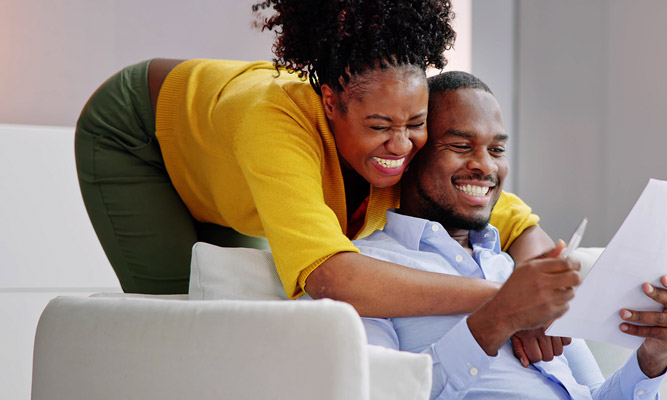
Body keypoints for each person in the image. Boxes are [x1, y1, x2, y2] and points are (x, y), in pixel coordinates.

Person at [74, 0, 557, 336]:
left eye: (415, 122)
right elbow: (331, 279)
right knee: (189, 324)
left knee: (245, 315)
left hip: (223, 157)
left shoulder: (407, 141)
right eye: (378, 125)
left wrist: (544, 304)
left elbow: (514, 220)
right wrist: (501, 297)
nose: (400, 144)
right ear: (330, 102)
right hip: (138, 138)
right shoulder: (274, 128)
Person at [356, 71, 667, 399]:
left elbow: (593, 393)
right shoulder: (367, 271)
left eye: (497, 150)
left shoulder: (513, 268)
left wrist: (652, 357)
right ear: (411, 154)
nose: (486, 167)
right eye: (461, 145)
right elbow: (378, 393)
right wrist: (499, 317)